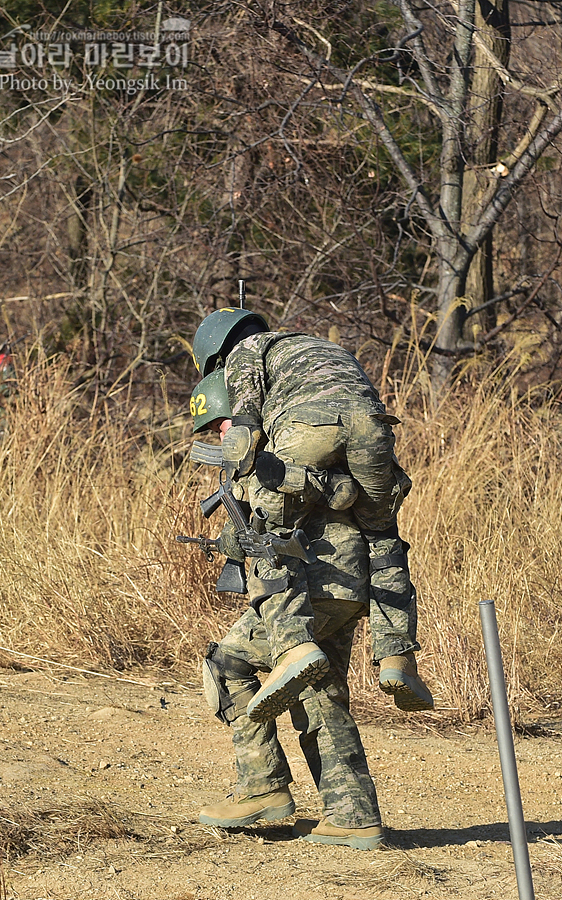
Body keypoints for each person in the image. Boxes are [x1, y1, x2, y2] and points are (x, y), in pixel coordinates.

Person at [188, 310, 432, 849]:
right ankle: (353, 814)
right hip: (355, 583)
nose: (218, 437)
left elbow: (266, 529)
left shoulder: (271, 439)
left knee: (226, 663)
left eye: (218, 426)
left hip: (312, 585)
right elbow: (362, 510)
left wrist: (232, 530)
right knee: (322, 696)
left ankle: (262, 786)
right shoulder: (328, 435)